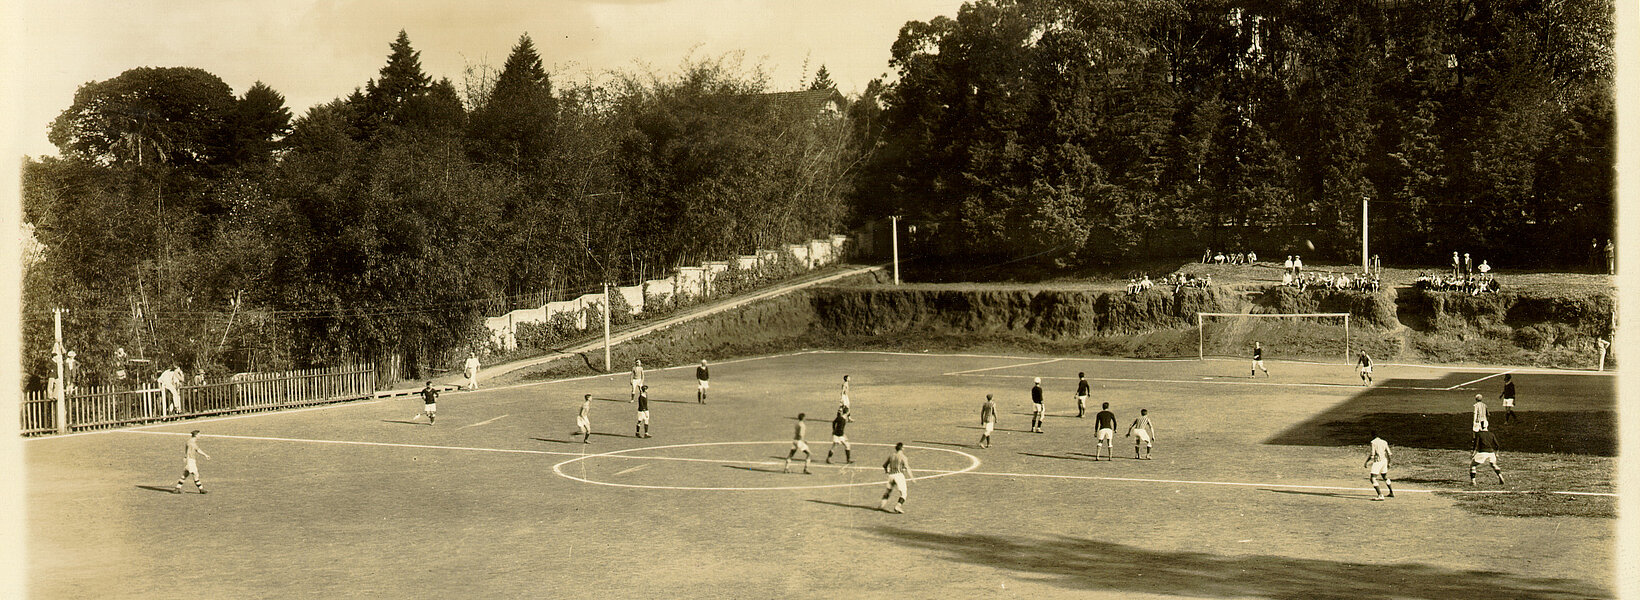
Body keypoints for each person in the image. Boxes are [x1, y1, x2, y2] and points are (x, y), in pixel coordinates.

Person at [173, 430, 211, 494]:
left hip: (189, 460)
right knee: (195, 474)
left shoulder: (189, 441)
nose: (200, 436)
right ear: (196, 435)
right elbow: (197, 450)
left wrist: (185, 457)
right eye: (199, 434)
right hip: (191, 461)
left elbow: (187, 450)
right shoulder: (192, 443)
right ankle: (201, 489)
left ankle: (177, 488)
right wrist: (205, 455)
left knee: (185, 475)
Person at [879, 442, 911, 513]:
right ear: (902, 448)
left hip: (891, 476)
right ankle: (898, 506)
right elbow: (907, 467)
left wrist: (886, 471)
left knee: (888, 491)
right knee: (904, 493)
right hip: (899, 475)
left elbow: (884, 465)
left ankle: (881, 505)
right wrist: (912, 477)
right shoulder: (903, 457)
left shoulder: (891, 456)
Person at [1364, 431, 1394, 500]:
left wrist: (1366, 462)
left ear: (1372, 435)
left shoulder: (1373, 442)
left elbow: (1372, 455)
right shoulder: (1384, 442)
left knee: (1373, 478)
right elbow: (1389, 453)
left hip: (1378, 462)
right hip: (1384, 461)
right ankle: (1391, 492)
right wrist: (1389, 462)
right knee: (1384, 476)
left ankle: (1380, 495)